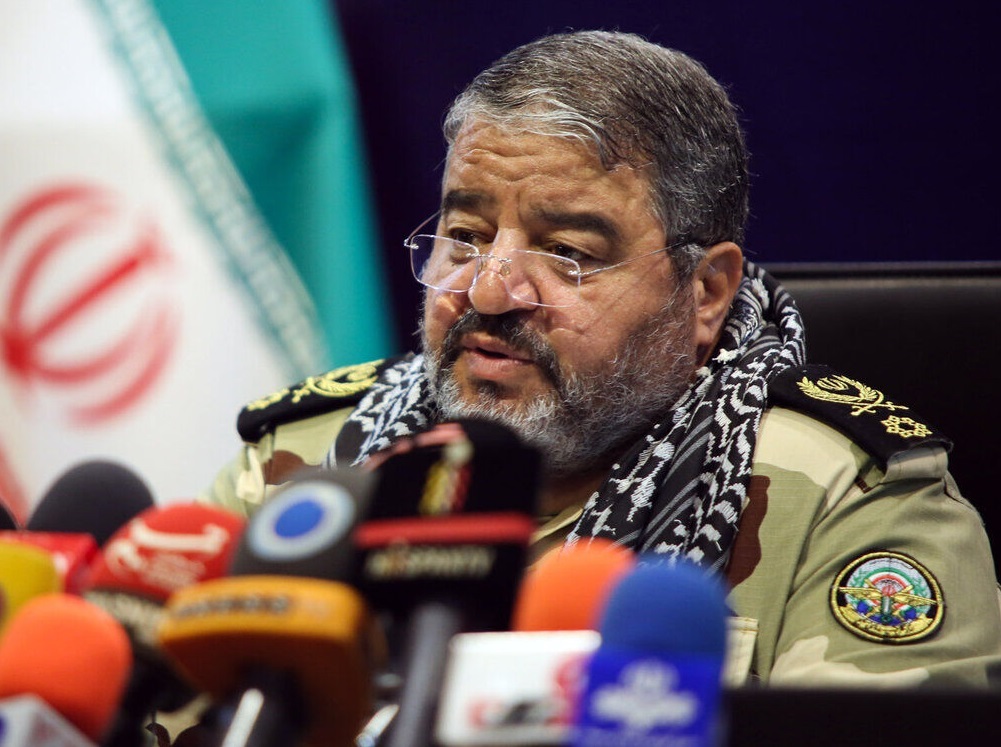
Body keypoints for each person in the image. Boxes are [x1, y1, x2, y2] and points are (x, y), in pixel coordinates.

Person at [202, 30, 1001, 686]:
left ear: (705, 292)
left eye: (567, 252)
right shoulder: (302, 465)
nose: (488, 290)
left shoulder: (842, 500)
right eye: (465, 236)